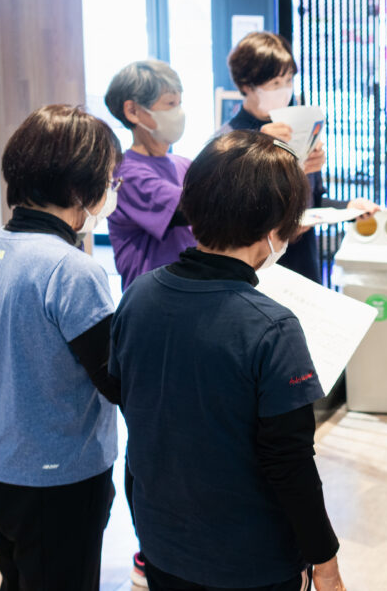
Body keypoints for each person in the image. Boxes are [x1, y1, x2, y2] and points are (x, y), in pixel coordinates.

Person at [110, 130, 345, 591]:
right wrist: (325, 561)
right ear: (275, 228)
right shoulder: (272, 327)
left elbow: (133, 408)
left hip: (162, 545)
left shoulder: (138, 296)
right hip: (250, 562)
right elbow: (291, 463)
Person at [0, 105, 122, 591]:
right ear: (79, 185)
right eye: (109, 177)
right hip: (60, 478)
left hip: (1, 467)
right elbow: (116, 381)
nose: (112, 189)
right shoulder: (71, 271)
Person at [224, 31, 378, 282]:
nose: (285, 90)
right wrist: (268, 157)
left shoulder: (299, 128)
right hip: (258, 275)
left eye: (288, 80)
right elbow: (233, 217)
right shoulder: (229, 142)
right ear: (245, 86)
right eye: (274, 83)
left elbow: (313, 203)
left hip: (303, 266)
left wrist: (348, 208)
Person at [104, 59, 195, 290]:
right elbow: (194, 208)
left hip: (191, 291)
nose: (179, 112)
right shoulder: (125, 174)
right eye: (170, 103)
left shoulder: (184, 164)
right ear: (133, 111)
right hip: (153, 300)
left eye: (179, 103)